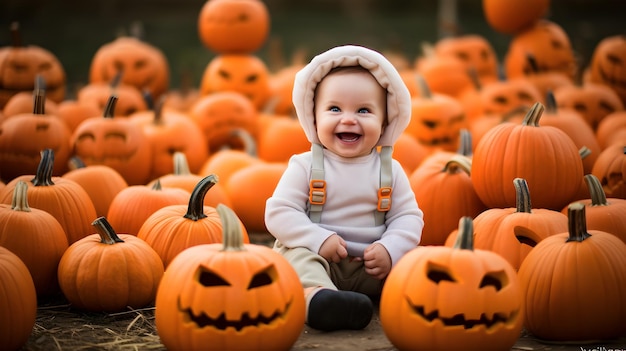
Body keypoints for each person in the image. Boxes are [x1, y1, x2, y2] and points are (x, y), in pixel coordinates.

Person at [264, 45, 424, 332]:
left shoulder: (390, 171)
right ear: (314, 117)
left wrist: (390, 249)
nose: (348, 119)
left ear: (385, 121)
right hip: (318, 257)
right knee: (297, 260)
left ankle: (419, 301)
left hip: (372, 266)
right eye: (334, 109)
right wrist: (317, 239)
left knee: (416, 264)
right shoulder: (305, 166)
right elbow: (279, 212)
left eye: (364, 110)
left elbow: (408, 217)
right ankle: (319, 301)